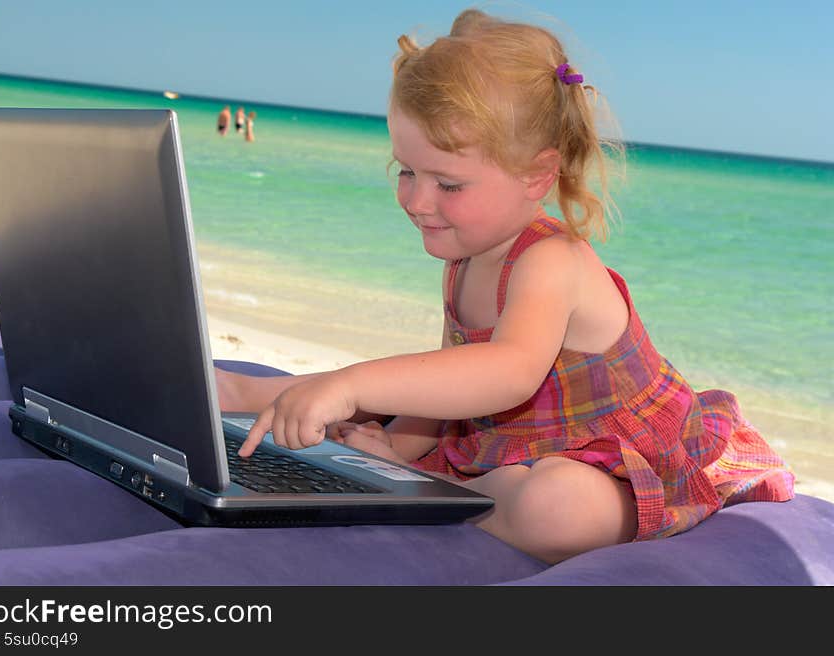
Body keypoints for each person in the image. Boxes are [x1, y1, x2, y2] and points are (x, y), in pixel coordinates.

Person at [215, 9, 794, 564]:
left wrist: (350, 387)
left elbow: (505, 373)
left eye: (449, 183)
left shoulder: (550, 259)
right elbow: (446, 389)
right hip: (515, 447)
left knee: (559, 507)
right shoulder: (466, 257)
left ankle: (438, 495)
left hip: (622, 457)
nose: (417, 201)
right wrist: (398, 451)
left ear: (537, 175)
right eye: (407, 172)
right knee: (471, 459)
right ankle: (261, 403)